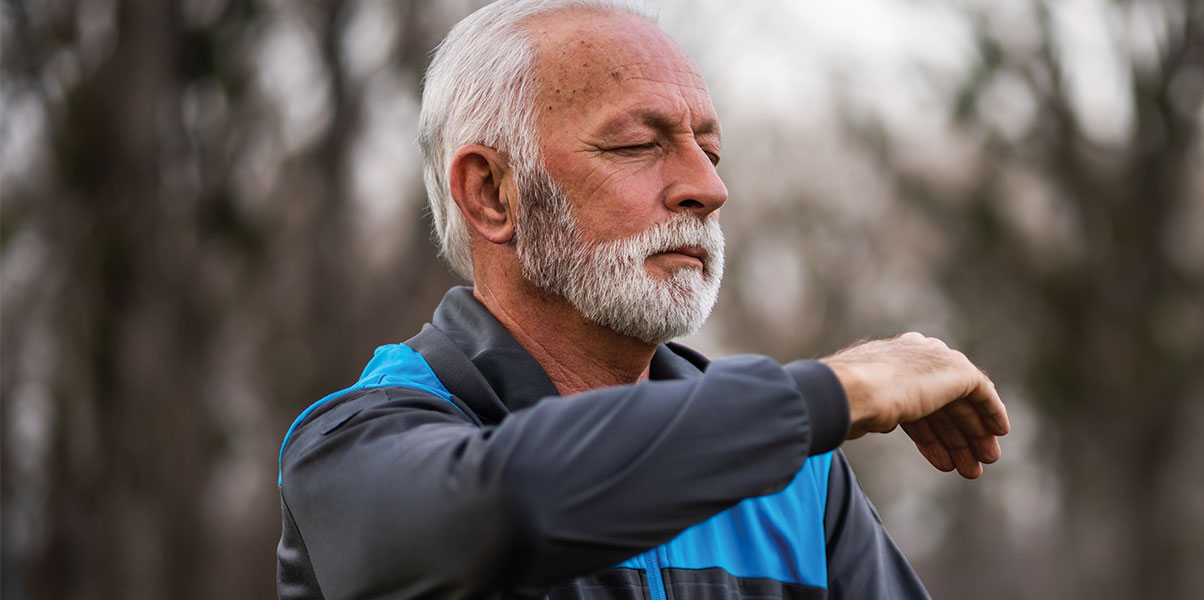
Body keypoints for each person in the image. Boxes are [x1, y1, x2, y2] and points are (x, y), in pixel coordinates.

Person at [274, 1, 1011, 598]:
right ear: (491, 194)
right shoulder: (354, 449)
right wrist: (834, 392)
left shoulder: (801, 482)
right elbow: (508, 509)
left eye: (710, 151)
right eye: (636, 145)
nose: (710, 189)